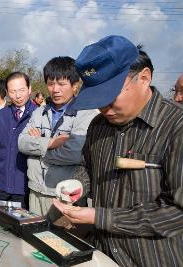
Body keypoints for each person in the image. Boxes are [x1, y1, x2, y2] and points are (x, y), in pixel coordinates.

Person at [53, 35, 183, 266]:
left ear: (144, 78)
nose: (103, 107)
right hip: (101, 255)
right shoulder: (98, 125)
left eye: (111, 96)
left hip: (152, 258)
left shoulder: (176, 126)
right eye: (97, 98)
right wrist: (77, 185)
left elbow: (177, 212)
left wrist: (100, 217)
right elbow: (87, 166)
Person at [18, 57, 97, 220]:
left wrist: (37, 150)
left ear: (75, 85)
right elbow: (21, 142)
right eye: (50, 83)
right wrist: (51, 143)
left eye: (61, 84)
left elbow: (75, 152)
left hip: (65, 195)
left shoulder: (85, 113)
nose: (55, 89)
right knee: (35, 238)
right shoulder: (40, 112)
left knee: (62, 242)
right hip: (35, 190)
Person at [0, 72, 37, 208]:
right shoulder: (1, 116)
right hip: (1, 183)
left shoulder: (39, 116)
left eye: (22, 90)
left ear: (29, 89)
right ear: (7, 93)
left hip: (25, 185)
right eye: (13, 91)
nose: (18, 96)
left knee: (21, 225)